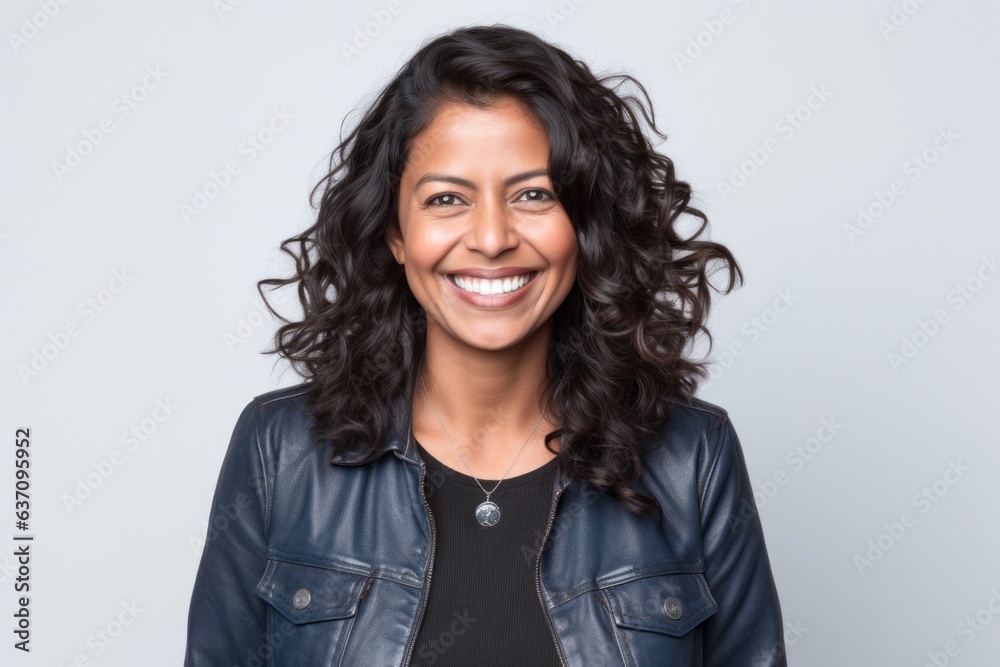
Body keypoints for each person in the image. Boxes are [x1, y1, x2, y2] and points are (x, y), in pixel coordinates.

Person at [183, 23, 786, 667]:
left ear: (586, 226)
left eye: (534, 194)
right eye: (447, 199)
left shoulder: (693, 458)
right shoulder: (280, 451)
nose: (492, 238)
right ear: (394, 234)